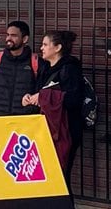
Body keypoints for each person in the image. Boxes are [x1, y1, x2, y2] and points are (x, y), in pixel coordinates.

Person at [22, 30, 85, 203]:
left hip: (65, 131)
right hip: (45, 129)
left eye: (45, 44)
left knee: (60, 176)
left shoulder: (69, 69)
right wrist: (30, 97)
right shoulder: (45, 68)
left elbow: (73, 99)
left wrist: (44, 97)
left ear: (57, 47)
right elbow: (40, 93)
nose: (41, 48)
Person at [0, 20, 40, 116]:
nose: (9, 38)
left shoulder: (36, 62)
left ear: (25, 39)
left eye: (14, 35)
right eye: (7, 35)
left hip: (23, 122)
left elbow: (40, 94)